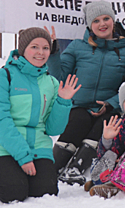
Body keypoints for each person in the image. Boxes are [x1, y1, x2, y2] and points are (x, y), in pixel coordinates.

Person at [48, 1, 125, 184]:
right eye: (96, 20)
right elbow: (59, 77)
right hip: (79, 105)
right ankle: (53, 166)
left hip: (110, 108)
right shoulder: (77, 47)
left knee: (103, 125)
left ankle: (76, 167)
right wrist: (53, 54)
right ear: (90, 25)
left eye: (106, 18)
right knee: (78, 121)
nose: (102, 24)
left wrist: (110, 103)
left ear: (114, 21)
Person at [0, 28, 79, 203]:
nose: (40, 52)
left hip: (39, 147)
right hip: (6, 146)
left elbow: (53, 129)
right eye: (34, 47)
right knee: (13, 192)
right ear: (22, 49)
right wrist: (22, 156)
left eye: (45, 48)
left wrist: (63, 102)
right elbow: (2, 121)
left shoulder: (51, 82)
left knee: (46, 192)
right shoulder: (5, 76)